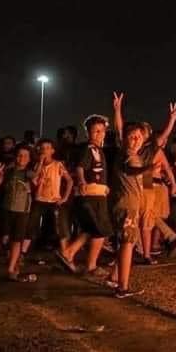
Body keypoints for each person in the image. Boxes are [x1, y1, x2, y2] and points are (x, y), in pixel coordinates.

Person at [111, 92, 176, 263]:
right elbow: (120, 129)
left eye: (142, 133)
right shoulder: (129, 147)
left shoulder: (150, 149)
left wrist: (172, 120)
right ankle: (140, 251)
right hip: (129, 187)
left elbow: (163, 138)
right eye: (134, 135)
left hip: (145, 183)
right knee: (137, 220)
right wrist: (118, 109)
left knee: (147, 218)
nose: (137, 137)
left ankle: (146, 253)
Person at [56, 115, 113, 275]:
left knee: (91, 228)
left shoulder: (98, 150)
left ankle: (69, 253)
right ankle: (90, 264)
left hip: (98, 192)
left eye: (101, 131)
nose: (99, 134)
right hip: (92, 195)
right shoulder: (90, 149)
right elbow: (81, 168)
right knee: (101, 229)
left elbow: (96, 171)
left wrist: (105, 186)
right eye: (95, 131)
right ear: (88, 132)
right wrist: (81, 182)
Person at [107, 121, 156, 297]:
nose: (135, 140)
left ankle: (114, 277)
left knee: (125, 242)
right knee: (128, 243)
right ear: (125, 139)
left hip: (124, 203)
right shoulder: (129, 156)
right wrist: (146, 168)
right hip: (127, 204)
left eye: (138, 137)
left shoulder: (125, 153)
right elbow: (131, 170)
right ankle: (123, 287)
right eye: (132, 137)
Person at [0, 144, 35, 281]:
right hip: (7, 209)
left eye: (25, 156)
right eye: (20, 155)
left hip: (22, 211)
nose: (22, 158)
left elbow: (39, 186)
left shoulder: (30, 173)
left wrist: (32, 186)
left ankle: (11, 269)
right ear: (16, 157)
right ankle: (13, 261)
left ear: (29, 159)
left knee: (17, 240)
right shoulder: (9, 172)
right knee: (5, 239)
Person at [27, 139, 73, 254]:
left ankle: (65, 253)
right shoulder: (37, 165)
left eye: (47, 148)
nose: (44, 150)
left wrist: (65, 198)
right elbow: (34, 181)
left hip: (54, 200)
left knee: (60, 225)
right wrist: (40, 164)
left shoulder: (58, 165)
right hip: (39, 199)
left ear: (52, 150)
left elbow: (70, 181)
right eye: (42, 148)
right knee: (32, 223)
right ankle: (22, 252)